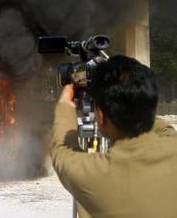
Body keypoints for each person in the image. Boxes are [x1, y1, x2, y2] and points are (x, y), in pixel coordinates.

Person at [50, 55, 177, 218]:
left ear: (101, 116)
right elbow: (166, 130)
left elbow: (61, 150)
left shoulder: (93, 176)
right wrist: (133, 96)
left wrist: (66, 102)